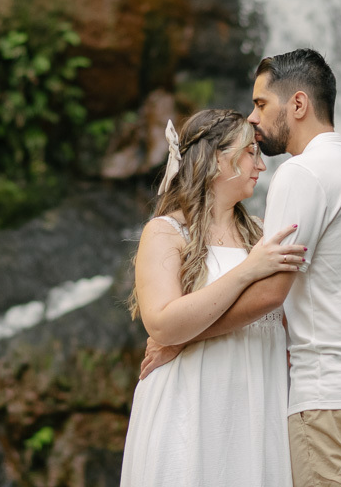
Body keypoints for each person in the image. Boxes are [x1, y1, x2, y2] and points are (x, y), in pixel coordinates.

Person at [141, 48, 341, 486]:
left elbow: (272, 293)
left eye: (260, 104)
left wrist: (180, 339)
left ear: (298, 104)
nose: (254, 118)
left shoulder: (299, 175)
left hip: (335, 400)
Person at [119, 109, 307, 487]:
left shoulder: (262, 234)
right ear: (217, 159)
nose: (261, 165)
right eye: (250, 152)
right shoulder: (166, 232)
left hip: (259, 403)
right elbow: (162, 323)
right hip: (191, 404)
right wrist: (248, 270)